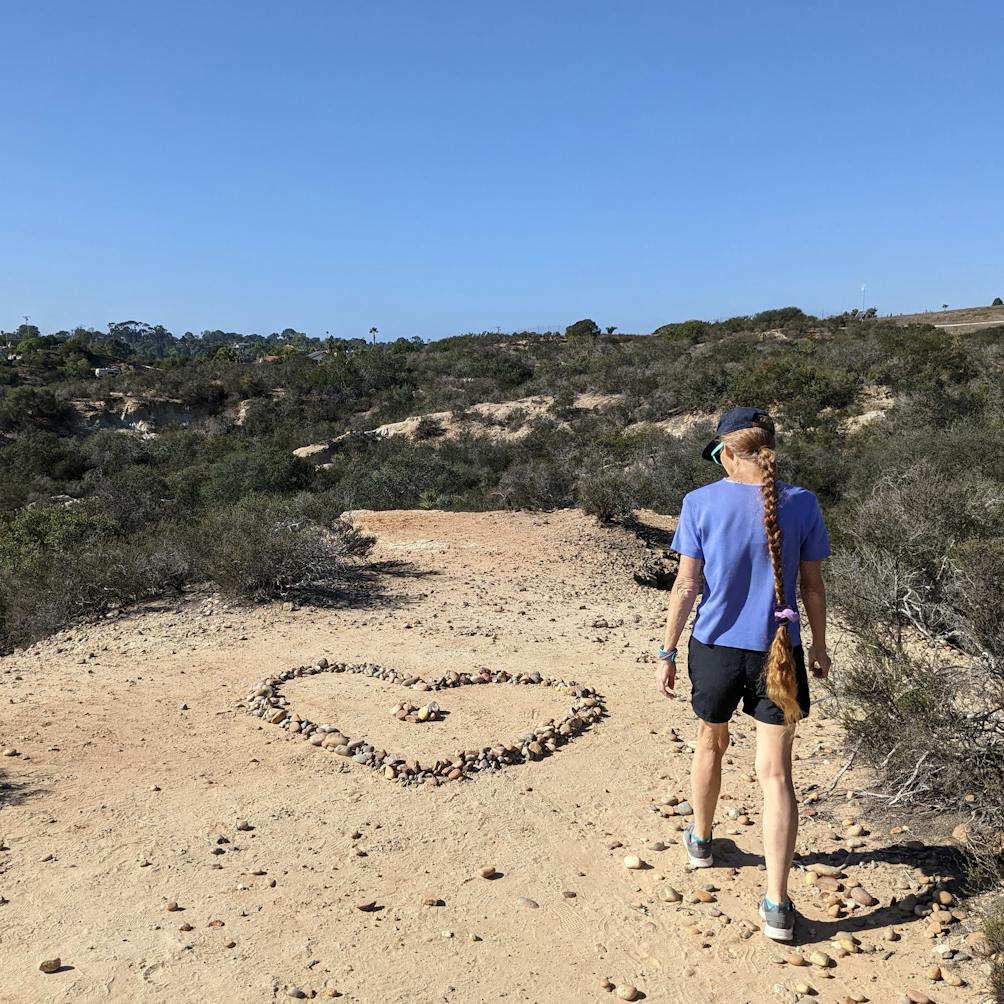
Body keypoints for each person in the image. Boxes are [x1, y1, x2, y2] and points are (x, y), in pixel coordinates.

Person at [656, 406, 831, 942]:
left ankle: (702, 841)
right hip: (780, 652)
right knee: (776, 774)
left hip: (714, 649)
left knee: (710, 745)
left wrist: (666, 651)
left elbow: (686, 586)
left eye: (717, 454)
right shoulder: (802, 503)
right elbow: (813, 588)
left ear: (726, 452)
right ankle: (778, 904)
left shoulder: (699, 502)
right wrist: (819, 646)